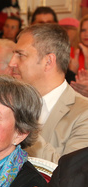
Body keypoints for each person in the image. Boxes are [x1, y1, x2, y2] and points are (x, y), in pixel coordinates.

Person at [9, 23, 88, 163]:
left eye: (20, 55)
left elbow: (69, 177)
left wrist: (25, 125)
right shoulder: (9, 102)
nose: (12, 63)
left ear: (48, 61)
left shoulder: (83, 114)